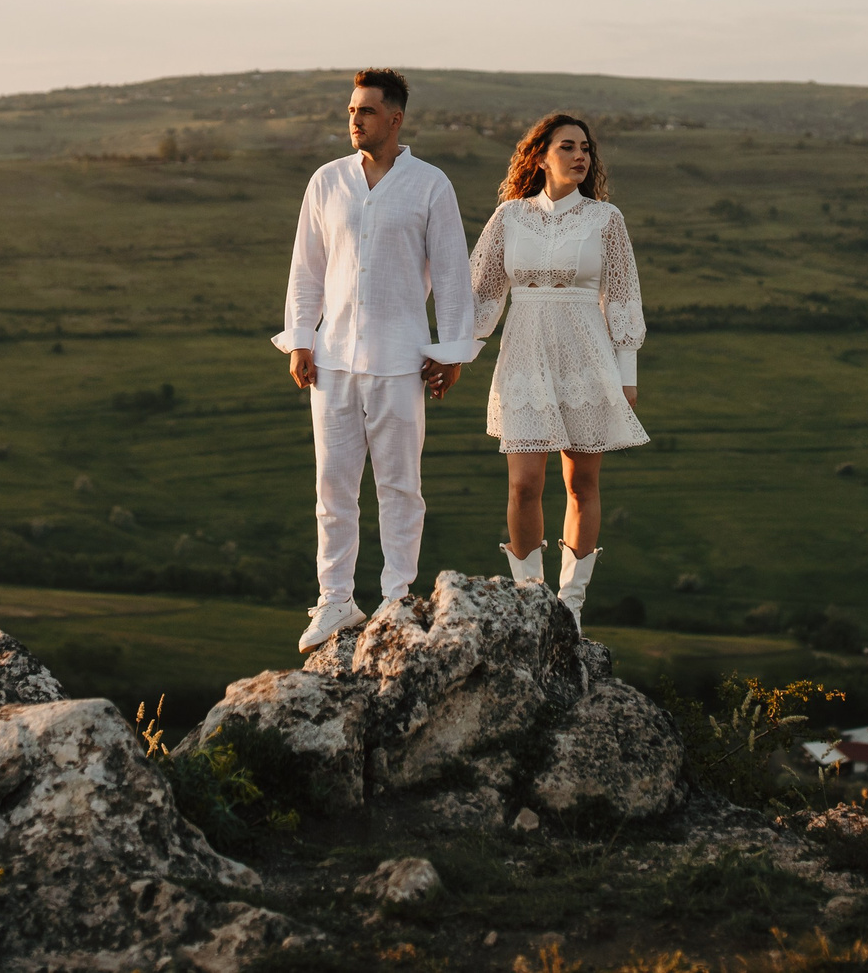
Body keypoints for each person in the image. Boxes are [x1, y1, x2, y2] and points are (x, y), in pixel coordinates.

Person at [275, 68, 481, 652]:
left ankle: (395, 599)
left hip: (399, 359)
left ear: (395, 118)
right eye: (350, 110)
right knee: (333, 488)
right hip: (333, 358)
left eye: (365, 111)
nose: (354, 120)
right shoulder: (326, 181)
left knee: (399, 486)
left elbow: (451, 273)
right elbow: (306, 268)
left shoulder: (430, 185)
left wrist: (452, 352)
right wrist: (300, 338)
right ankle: (335, 599)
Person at [467, 111, 647, 630]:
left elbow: (623, 295)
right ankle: (529, 600)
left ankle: (569, 605)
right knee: (524, 484)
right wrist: (458, 353)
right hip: (523, 354)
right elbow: (481, 291)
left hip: (587, 358)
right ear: (540, 155)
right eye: (567, 146)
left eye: (585, 148)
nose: (580, 155)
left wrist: (627, 370)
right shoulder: (509, 217)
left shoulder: (605, 219)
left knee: (580, 483)